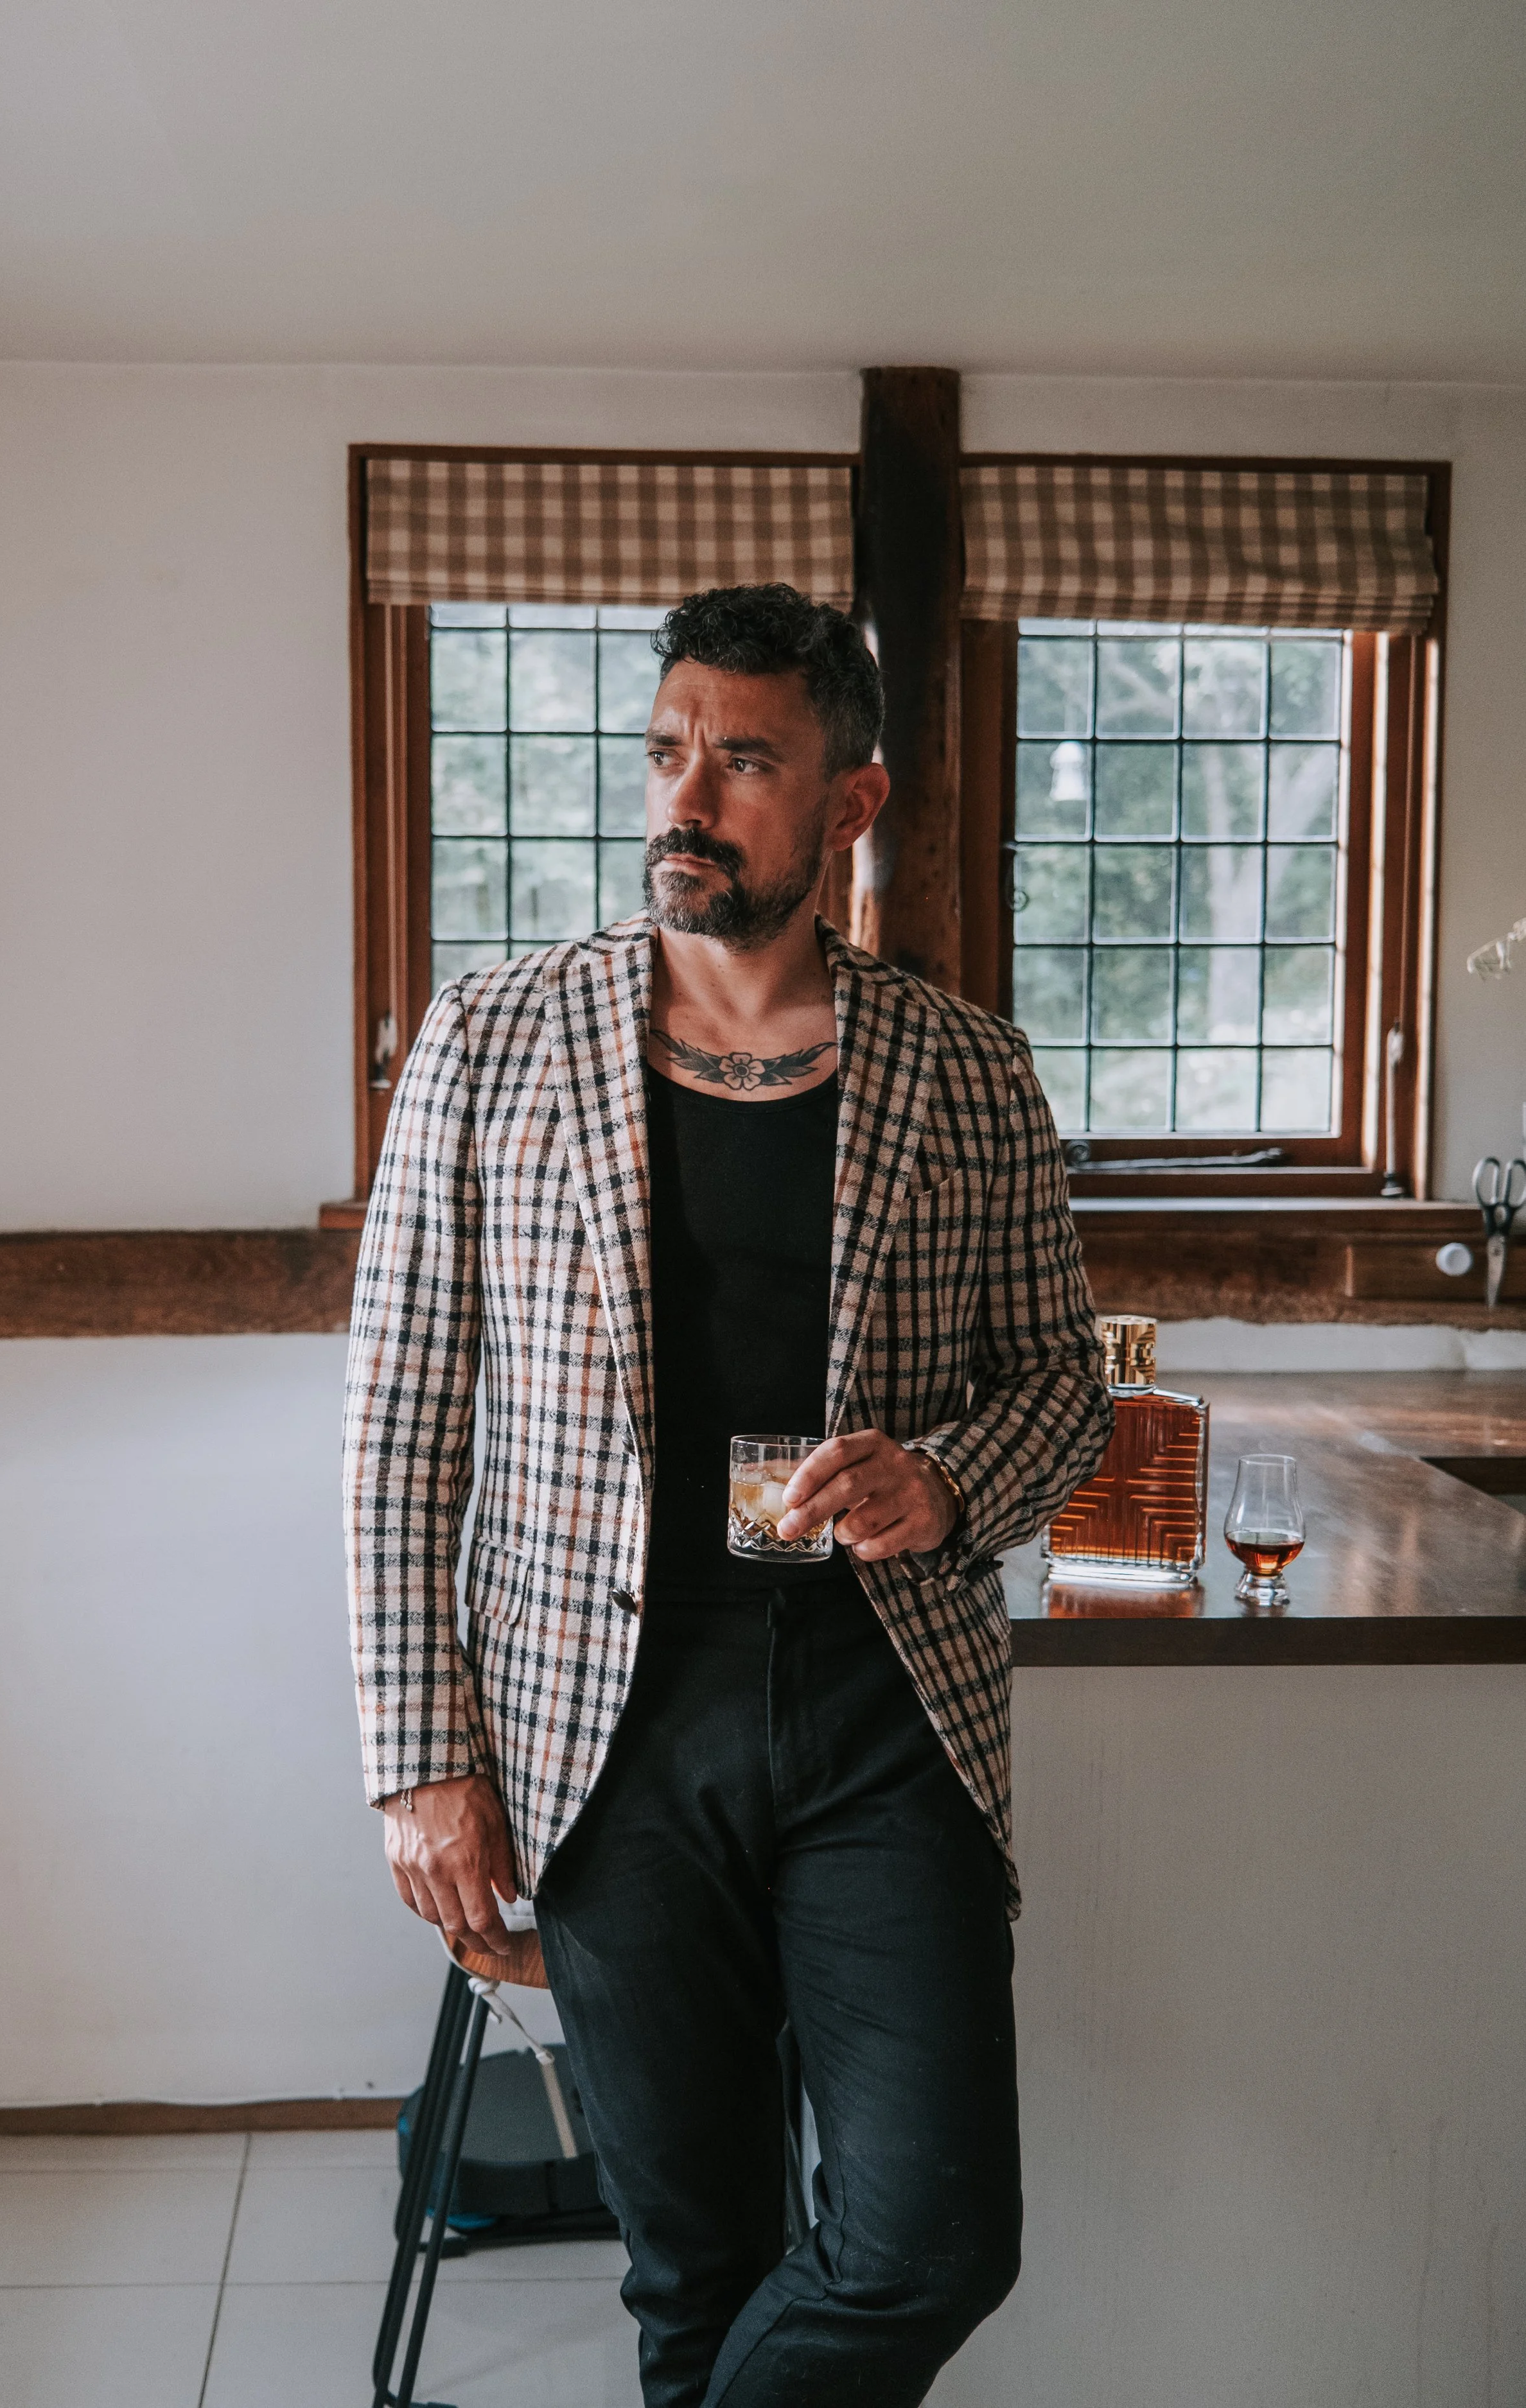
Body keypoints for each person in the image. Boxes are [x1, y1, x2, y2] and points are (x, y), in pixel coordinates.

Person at [344, 581, 1112, 2408]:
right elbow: (396, 1418)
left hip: (882, 1713)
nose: (684, 796)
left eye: (743, 759)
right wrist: (419, 1757)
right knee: (697, 2273)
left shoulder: (966, 1070)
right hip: (604, 1729)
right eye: (668, 747)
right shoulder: (490, 1039)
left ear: (848, 803)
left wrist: (945, 1474)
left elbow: (1065, 1394)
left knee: (929, 2239)